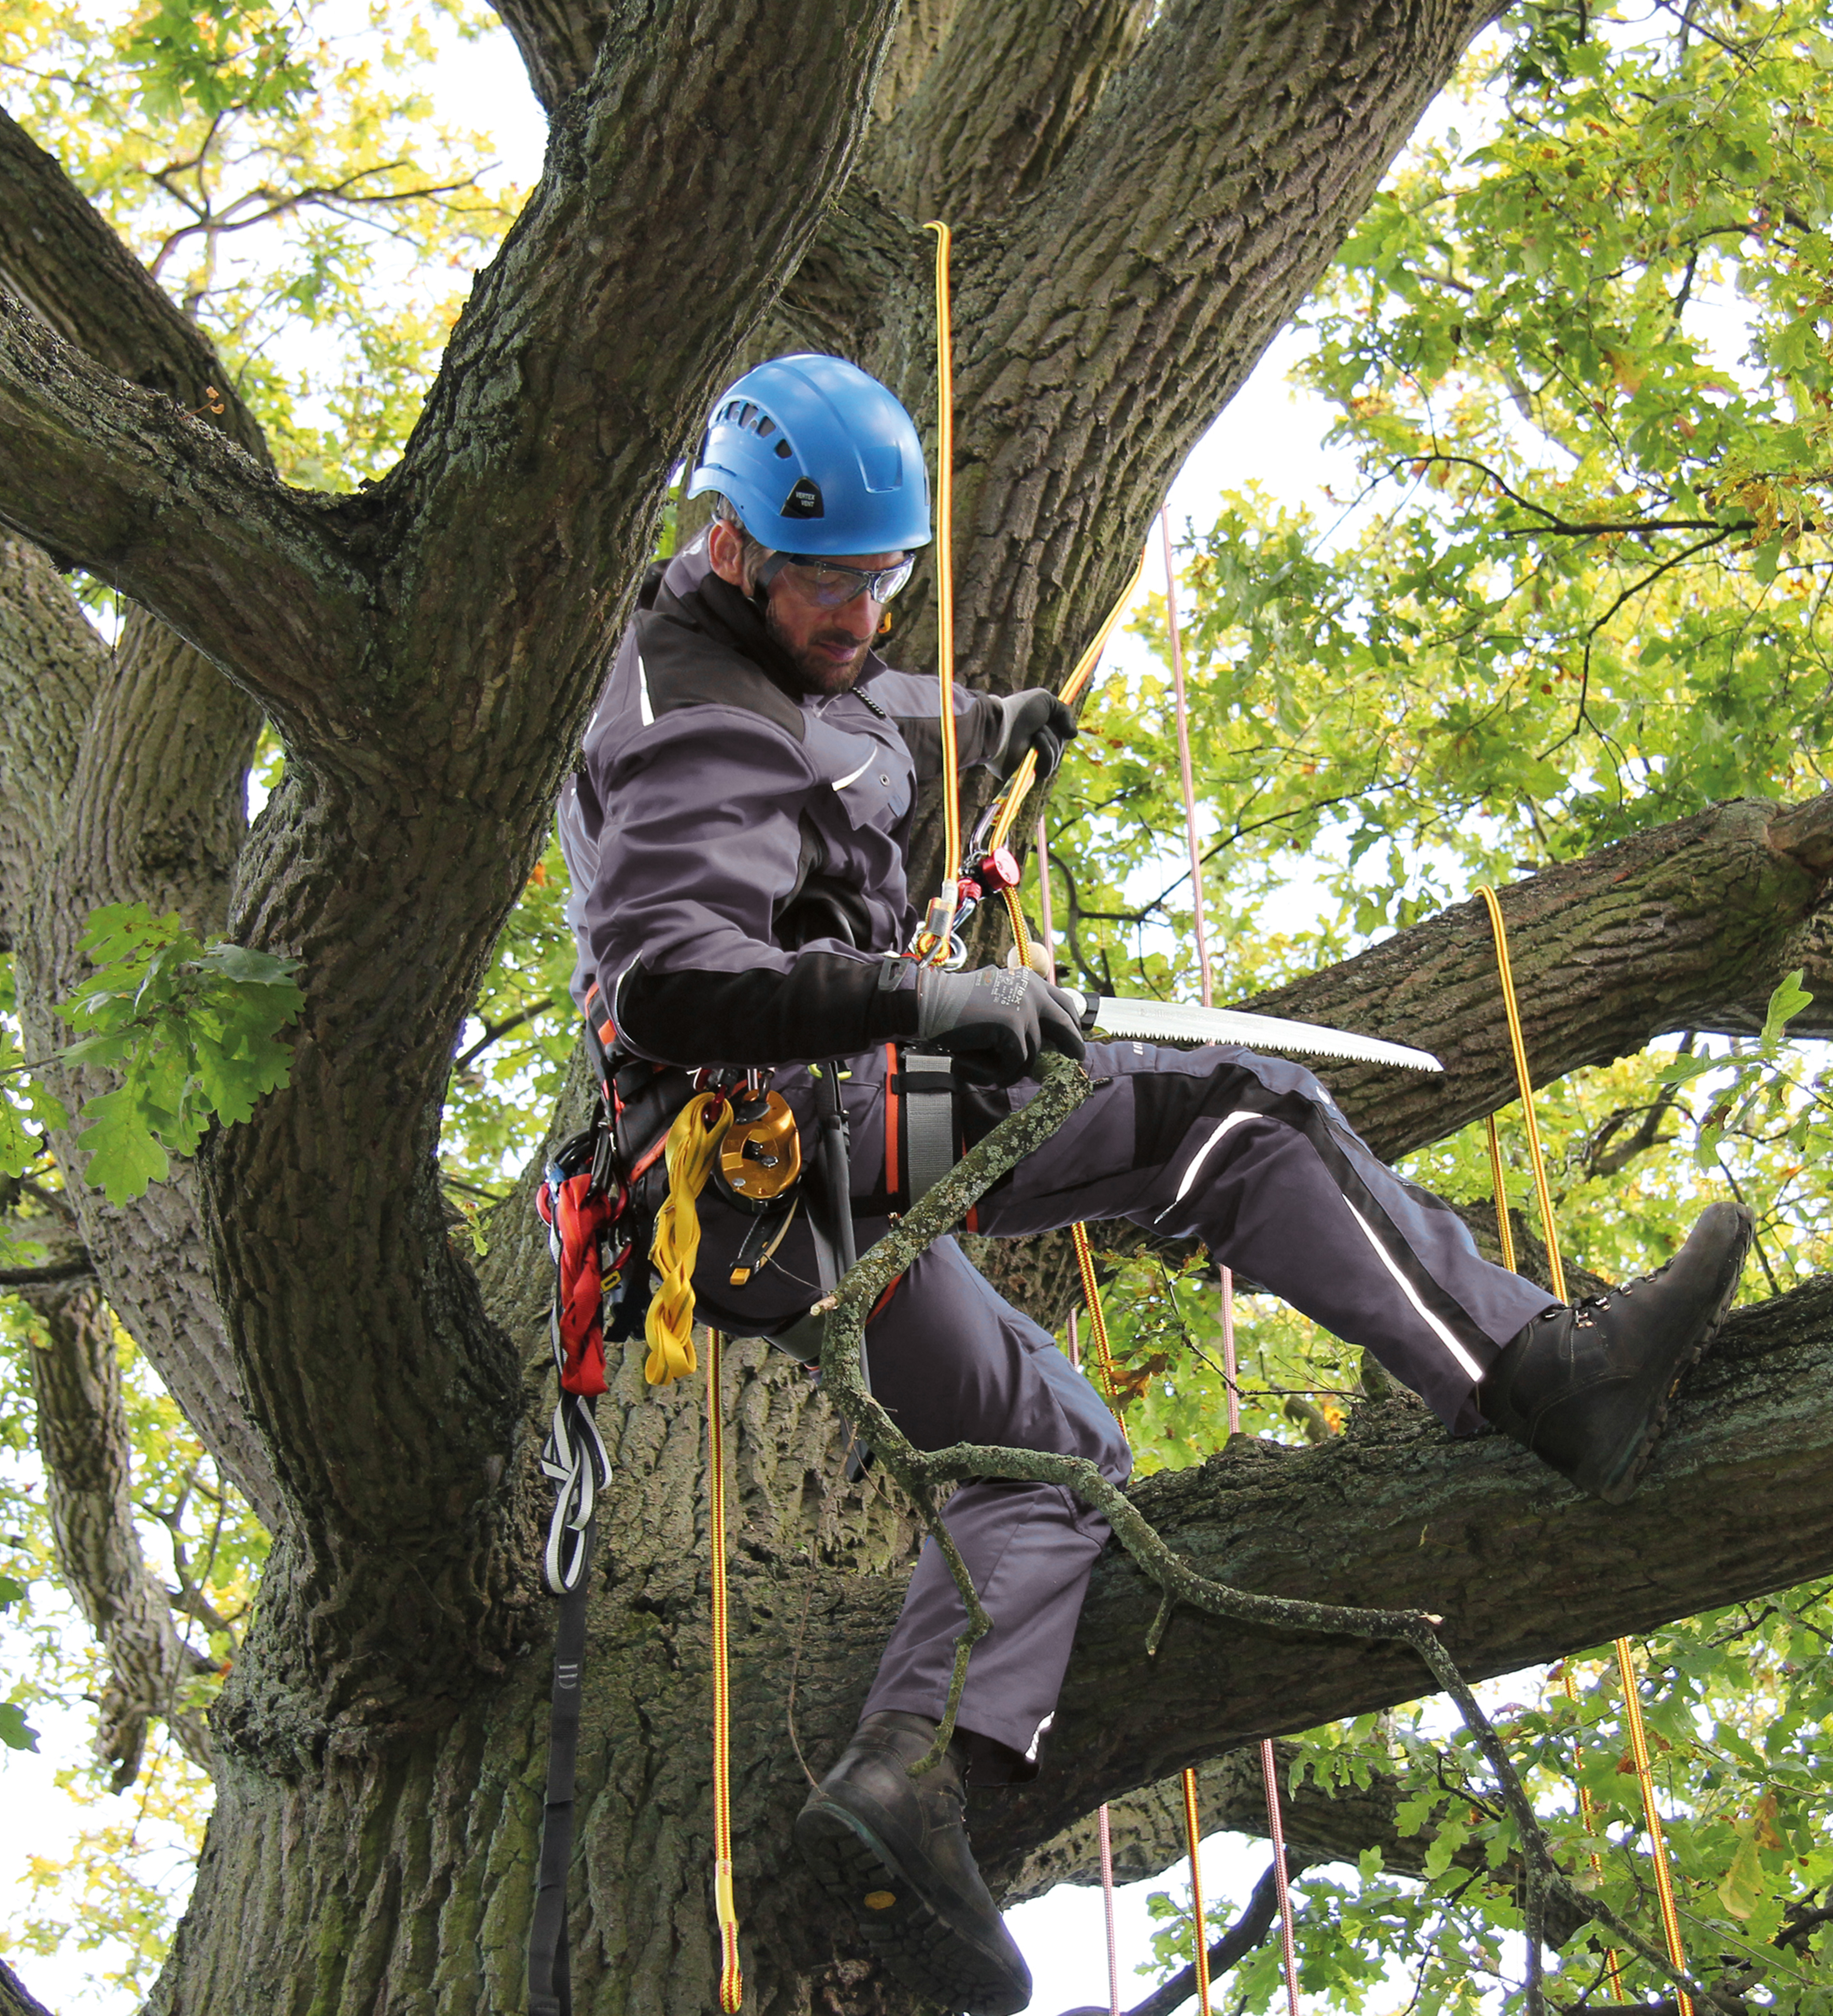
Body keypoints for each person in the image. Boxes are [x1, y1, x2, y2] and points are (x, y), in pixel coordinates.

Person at [558, 353, 1752, 2014]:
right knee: (1227, 1118)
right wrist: (938, 999)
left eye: (885, 579)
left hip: (790, 1192)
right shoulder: (687, 720)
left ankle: (909, 1781)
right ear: (728, 545)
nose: (860, 613)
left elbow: (859, 719)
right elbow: (674, 979)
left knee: (1054, 1453)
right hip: (775, 1135)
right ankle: (1543, 1377)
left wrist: (989, 724)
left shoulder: (781, 659)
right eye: (828, 581)